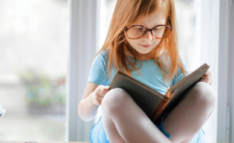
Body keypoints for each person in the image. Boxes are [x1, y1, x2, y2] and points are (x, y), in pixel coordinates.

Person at [78, 0, 217, 142]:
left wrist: (201, 82)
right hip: (122, 133)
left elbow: (188, 101)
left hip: (167, 129)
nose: (148, 38)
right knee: (113, 98)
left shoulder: (173, 59)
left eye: (157, 28)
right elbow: (84, 113)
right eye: (139, 28)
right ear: (122, 23)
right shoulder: (107, 59)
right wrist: (94, 99)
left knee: (206, 92)